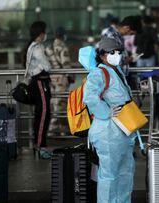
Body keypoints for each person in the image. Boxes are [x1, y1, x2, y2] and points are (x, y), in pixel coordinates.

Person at [82, 37, 137, 202]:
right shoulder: (100, 72)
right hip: (107, 132)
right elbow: (89, 97)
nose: (117, 55)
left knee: (125, 173)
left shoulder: (116, 71)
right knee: (109, 176)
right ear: (102, 55)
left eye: (119, 52)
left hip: (122, 132)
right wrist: (106, 112)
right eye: (112, 52)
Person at [24, 21, 52, 159]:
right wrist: (46, 66)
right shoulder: (37, 48)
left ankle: (39, 145)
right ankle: (40, 146)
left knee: (42, 114)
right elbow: (47, 66)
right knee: (43, 114)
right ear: (41, 33)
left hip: (38, 83)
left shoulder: (33, 46)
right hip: (40, 83)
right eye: (44, 32)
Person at [45, 27, 72, 136]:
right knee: (60, 103)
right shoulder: (62, 47)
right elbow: (66, 64)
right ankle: (54, 128)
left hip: (51, 78)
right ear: (63, 35)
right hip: (61, 78)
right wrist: (70, 75)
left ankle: (61, 128)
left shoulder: (49, 47)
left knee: (55, 102)